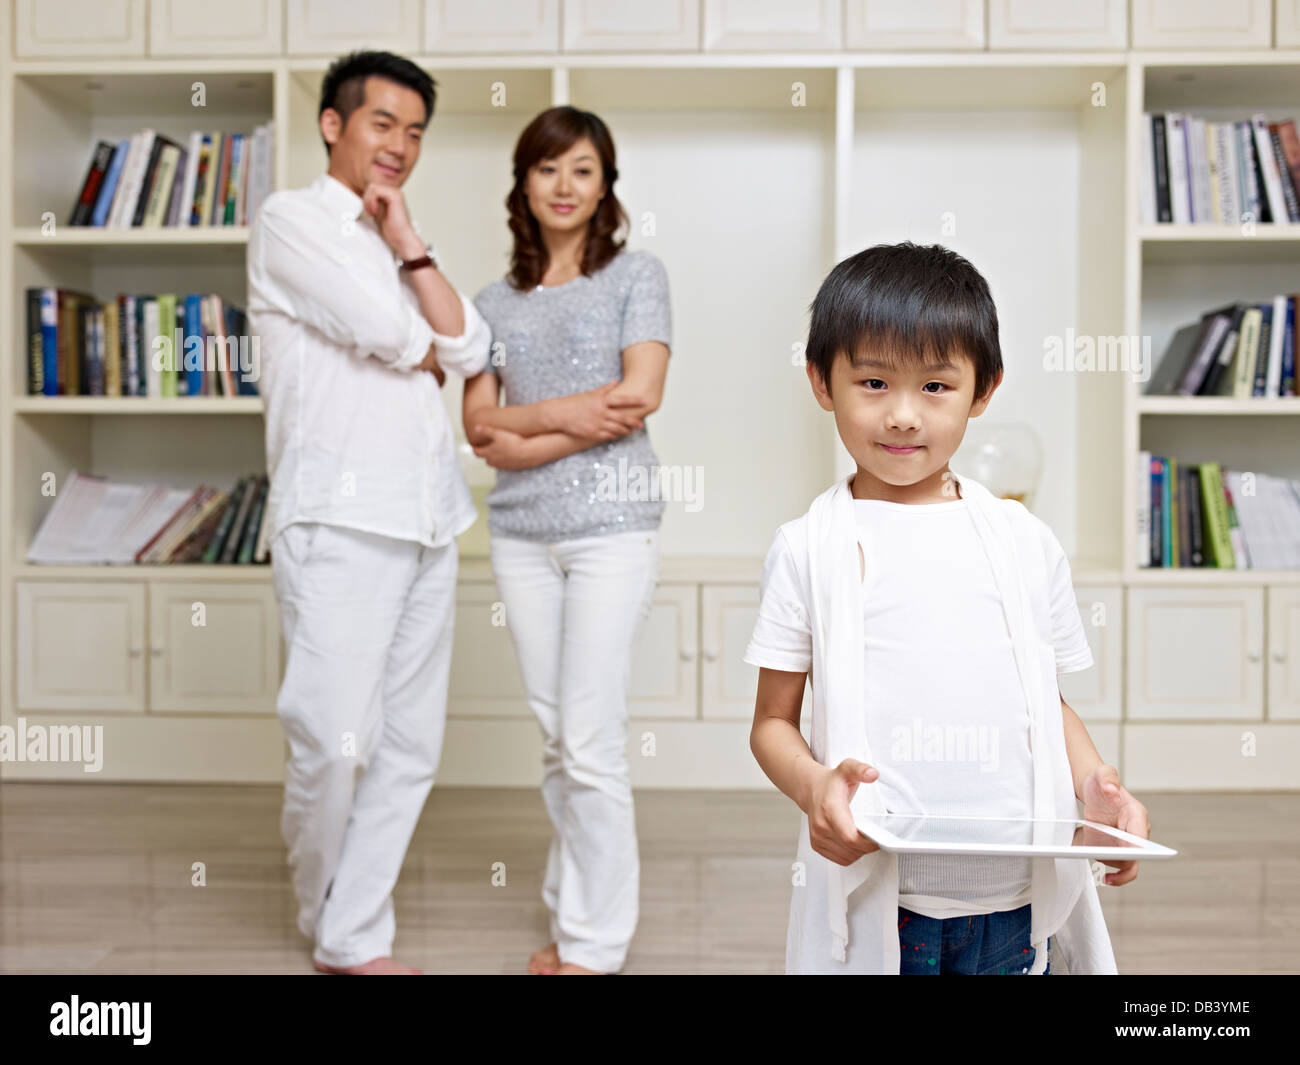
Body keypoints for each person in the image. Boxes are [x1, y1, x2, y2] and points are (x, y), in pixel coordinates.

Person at [745, 241, 1150, 974]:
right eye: (873, 381)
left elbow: (1046, 704)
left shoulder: (1024, 541)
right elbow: (773, 722)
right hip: (883, 896)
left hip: (1013, 896)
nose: (902, 416)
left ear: (983, 389)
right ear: (821, 380)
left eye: (935, 387)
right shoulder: (808, 547)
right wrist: (815, 789)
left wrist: (1097, 788)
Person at [247, 50, 491, 974]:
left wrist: (411, 246)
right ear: (333, 125)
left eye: (416, 131)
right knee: (333, 739)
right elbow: (392, 332)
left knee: (408, 747)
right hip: (340, 520)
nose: (401, 145)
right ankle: (325, 913)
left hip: (430, 518)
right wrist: (420, 329)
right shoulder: (290, 221)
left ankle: (353, 936)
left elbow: (467, 345)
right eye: (383, 123)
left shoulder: (400, 239)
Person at [462, 106, 671, 975]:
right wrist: (578, 412)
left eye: (582, 169)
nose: (564, 185)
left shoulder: (636, 274)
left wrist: (525, 427)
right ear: (524, 182)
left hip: (611, 528)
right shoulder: (488, 303)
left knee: (590, 740)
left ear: (605, 185)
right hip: (520, 537)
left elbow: (641, 396)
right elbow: (479, 430)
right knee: (560, 739)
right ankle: (572, 909)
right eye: (548, 169)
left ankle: (594, 943)